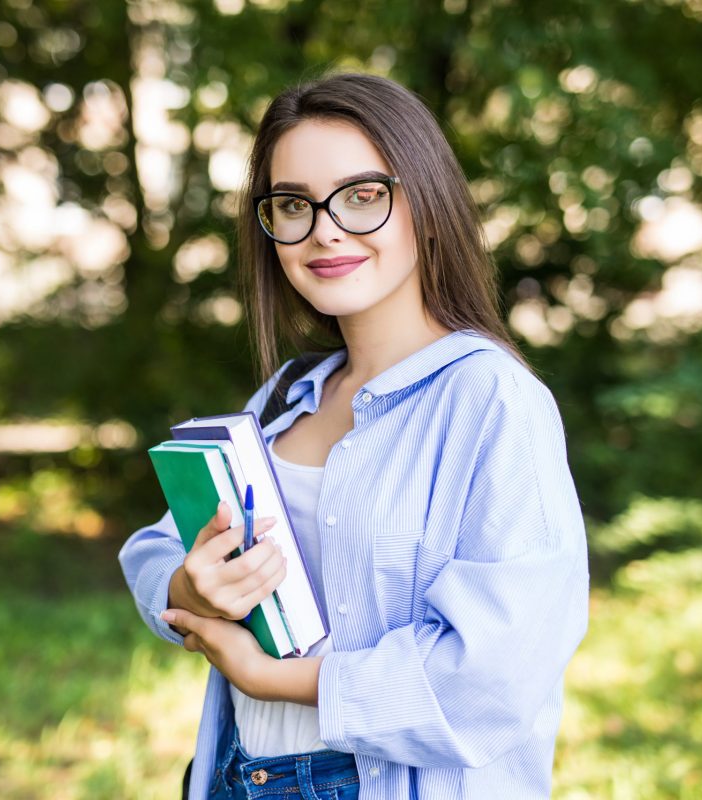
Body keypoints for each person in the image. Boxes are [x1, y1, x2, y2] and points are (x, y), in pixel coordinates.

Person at [118, 72, 588, 800]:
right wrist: (193, 588)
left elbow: (496, 673)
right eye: (293, 205)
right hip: (233, 776)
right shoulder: (282, 399)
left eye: (363, 195)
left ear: (426, 209)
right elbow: (154, 548)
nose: (325, 230)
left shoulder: (490, 400)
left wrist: (276, 678)